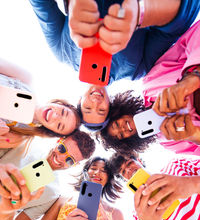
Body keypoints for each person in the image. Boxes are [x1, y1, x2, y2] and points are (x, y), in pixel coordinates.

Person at [28, 0, 200, 84]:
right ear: (112, 106)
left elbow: (40, 4)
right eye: (101, 112)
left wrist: (72, 3)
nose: (95, 103)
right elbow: (180, 22)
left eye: (87, 108)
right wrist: (141, 13)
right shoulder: (138, 70)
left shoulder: (62, 52)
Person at [0, 130, 95, 220]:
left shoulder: (52, 194)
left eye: (69, 160)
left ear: (75, 165)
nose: (60, 158)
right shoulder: (25, 142)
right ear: (58, 141)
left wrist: (7, 212)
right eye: (62, 149)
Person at [142, 20, 200, 156]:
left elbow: (193, 37)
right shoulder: (169, 141)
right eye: (121, 136)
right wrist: (196, 135)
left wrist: (193, 74)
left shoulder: (151, 82)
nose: (125, 128)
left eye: (116, 125)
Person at [0, 58, 81, 152]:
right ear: (61, 104)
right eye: (63, 112)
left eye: (59, 125)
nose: (54, 116)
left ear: (51, 131)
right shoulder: (25, 79)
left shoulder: (17, 136)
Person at [99, 90, 156, 155]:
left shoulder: (150, 90)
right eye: (121, 135)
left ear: (118, 113)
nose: (123, 129)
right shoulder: (165, 140)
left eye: (117, 125)